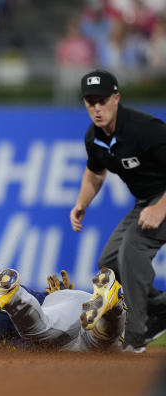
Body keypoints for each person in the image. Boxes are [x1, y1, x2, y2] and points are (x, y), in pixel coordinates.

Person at [70, 69, 166, 352]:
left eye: (102, 100)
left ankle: (137, 334)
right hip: (146, 201)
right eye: (91, 102)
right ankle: (160, 309)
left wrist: (161, 207)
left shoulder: (144, 129)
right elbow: (94, 172)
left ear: (116, 98)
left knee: (133, 248)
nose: (97, 108)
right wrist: (81, 203)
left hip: (161, 200)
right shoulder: (95, 137)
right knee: (109, 263)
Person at [0, 255, 126, 352]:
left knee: (40, 331)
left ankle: (14, 297)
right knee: (102, 339)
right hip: (74, 307)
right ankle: (113, 302)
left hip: (61, 320)